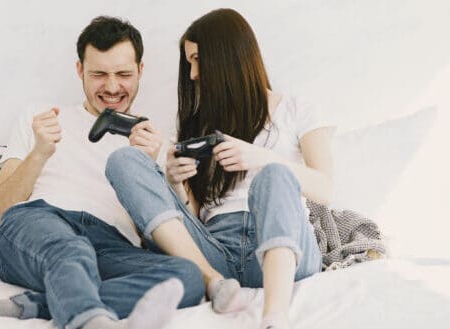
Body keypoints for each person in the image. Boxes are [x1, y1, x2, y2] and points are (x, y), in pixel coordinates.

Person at [0, 16, 205, 329]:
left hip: (111, 246)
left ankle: (31, 306)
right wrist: (40, 152)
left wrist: (151, 170)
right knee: (72, 249)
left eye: (123, 74)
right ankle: (91, 322)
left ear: (140, 70)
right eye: (99, 74)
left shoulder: (158, 142)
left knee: (187, 277)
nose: (112, 87)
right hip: (39, 225)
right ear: (79, 71)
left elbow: (173, 238)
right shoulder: (40, 119)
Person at [105, 8, 335, 329]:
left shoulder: (298, 110)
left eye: (197, 59)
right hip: (215, 255)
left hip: (281, 254)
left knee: (273, 175)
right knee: (125, 160)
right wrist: (176, 183)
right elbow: (197, 214)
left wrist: (259, 157)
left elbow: (327, 188)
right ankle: (211, 281)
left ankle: (274, 317)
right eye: (190, 63)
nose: (194, 73)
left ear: (226, 56)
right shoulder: (197, 125)